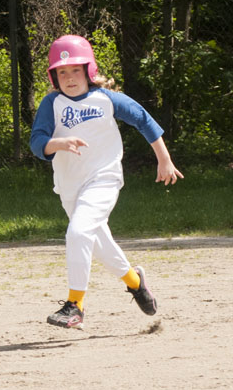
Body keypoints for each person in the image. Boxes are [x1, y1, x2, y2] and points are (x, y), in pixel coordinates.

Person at [30, 34, 183, 330]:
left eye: (76, 70)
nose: (69, 77)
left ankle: (75, 305)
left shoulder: (106, 99)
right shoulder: (52, 104)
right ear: (53, 76)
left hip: (104, 179)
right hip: (70, 187)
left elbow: (143, 119)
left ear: (89, 70)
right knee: (100, 245)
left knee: (77, 233)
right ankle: (136, 282)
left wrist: (164, 159)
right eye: (62, 72)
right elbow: (37, 143)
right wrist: (57, 143)